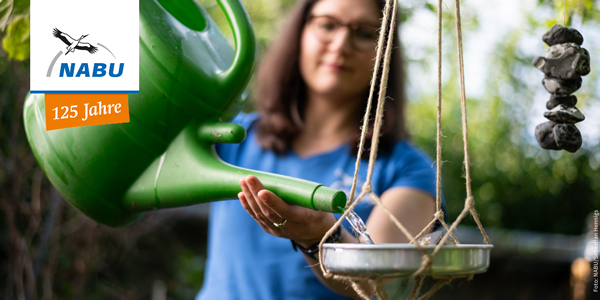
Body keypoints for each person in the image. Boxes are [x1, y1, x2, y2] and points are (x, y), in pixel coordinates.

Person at [196, 0, 439, 299]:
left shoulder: (407, 169)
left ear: (385, 52)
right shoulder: (233, 136)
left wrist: (319, 235)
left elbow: (370, 279)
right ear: (301, 30)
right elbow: (127, 125)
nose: (340, 45)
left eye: (364, 33)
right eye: (327, 25)